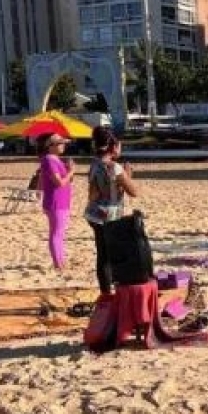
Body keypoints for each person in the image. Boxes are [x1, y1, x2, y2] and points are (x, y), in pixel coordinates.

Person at [84, 126, 139, 295]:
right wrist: (128, 175)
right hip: (112, 216)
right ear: (113, 146)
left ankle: (105, 293)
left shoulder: (94, 165)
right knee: (114, 256)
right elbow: (134, 192)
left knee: (102, 255)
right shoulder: (115, 167)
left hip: (94, 214)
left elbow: (92, 195)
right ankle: (116, 290)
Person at [37, 133, 74, 271]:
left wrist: (69, 171)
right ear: (50, 146)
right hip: (56, 202)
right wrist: (71, 172)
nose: (63, 145)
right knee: (56, 233)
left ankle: (61, 260)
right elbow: (59, 182)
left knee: (59, 233)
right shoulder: (49, 160)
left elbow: (63, 182)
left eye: (64, 143)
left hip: (60, 202)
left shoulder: (54, 160)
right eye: (60, 143)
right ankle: (58, 263)